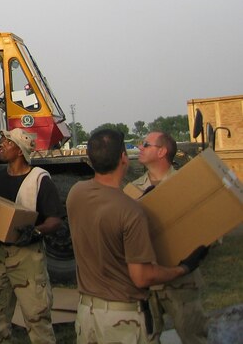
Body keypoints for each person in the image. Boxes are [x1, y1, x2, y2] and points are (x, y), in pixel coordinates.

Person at [67, 129, 209, 344]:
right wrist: (184, 268)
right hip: (122, 320)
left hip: (88, 314)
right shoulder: (129, 208)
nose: (141, 148)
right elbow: (142, 277)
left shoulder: (76, 193)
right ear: (124, 158)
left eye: (146, 144)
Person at [0, 128, 63, 344]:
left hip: (27, 257)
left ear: (19, 151)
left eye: (7, 142)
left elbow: (55, 219)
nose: (2, 145)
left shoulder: (39, 181)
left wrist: (36, 231)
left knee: (36, 316)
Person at [127, 131, 208, 344]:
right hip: (146, 282)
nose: (140, 148)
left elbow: (208, 225)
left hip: (182, 282)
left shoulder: (186, 185)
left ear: (162, 151)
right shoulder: (132, 190)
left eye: (146, 144)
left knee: (193, 336)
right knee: (147, 338)